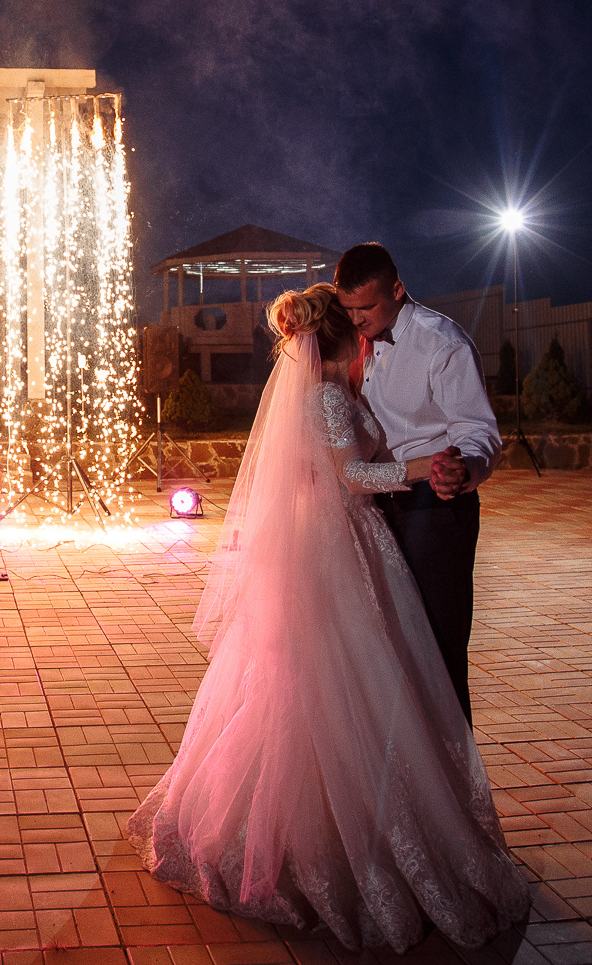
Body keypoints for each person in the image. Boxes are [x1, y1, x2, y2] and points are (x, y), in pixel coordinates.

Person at [126, 284, 529, 950]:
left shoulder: (331, 390)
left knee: (336, 683)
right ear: (344, 334)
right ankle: (325, 845)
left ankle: (347, 826)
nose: (366, 331)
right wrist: (425, 467)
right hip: (339, 541)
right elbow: (353, 477)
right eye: (357, 322)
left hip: (344, 538)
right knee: (340, 684)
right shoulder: (326, 398)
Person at [334, 242, 498, 723]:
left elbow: (477, 430)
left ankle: (453, 765)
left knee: (439, 646)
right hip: (375, 506)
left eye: (366, 307)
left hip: (434, 505)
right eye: (348, 309)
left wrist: (464, 469)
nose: (356, 319)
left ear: (397, 289)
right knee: (390, 649)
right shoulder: (353, 340)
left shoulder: (441, 343)